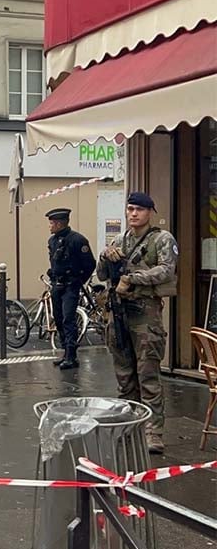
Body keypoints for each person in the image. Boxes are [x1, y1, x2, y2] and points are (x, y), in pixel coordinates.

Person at [96, 192, 178, 453]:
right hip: (120, 313)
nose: (133, 214)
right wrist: (105, 256)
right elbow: (100, 274)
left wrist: (133, 278)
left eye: (139, 209)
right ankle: (130, 424)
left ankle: (153, 432)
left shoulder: (161, 239)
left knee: (148, 376)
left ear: (150, 212)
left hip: (145, 314)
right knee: (124, 376)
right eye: (130, 208)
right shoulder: (120, 240)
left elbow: (166, 269)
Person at [45, 208, 96, 370]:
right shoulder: (52, 241)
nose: (50, 226)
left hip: (70, 286)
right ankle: (65, 352)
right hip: (57, 285)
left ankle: (72, 356)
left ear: (60, 223)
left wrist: (78, 281)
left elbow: (90, 264)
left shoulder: (77, 240)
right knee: (58, 318)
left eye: (52, 223)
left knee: (69, 319)